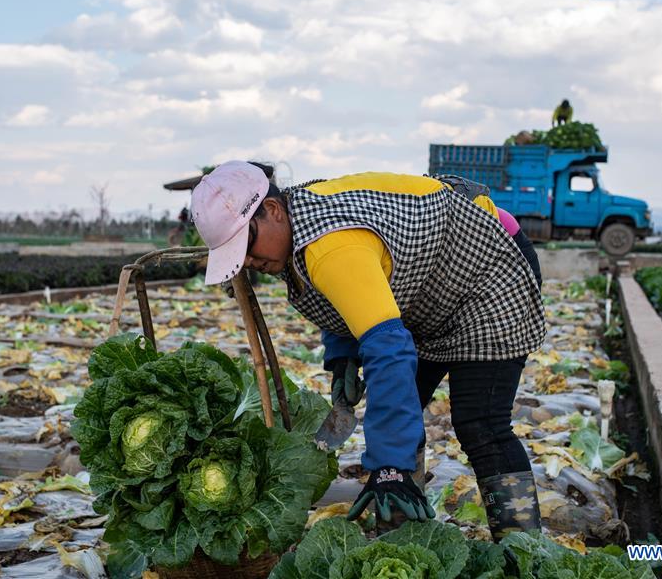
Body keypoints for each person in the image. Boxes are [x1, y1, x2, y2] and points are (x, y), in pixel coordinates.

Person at [192, 161, 546, 540]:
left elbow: (388, 346)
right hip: (430, 291)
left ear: (273, 210)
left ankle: (522, 550)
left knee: (480, 422)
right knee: (403, 403)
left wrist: (389, 466)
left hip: (488, 265)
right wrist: (343, 356)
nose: (247, 261)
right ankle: (404, 541)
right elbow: (348, 292)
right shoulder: (297, 228)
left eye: (246, 244)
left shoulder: (328, 245)